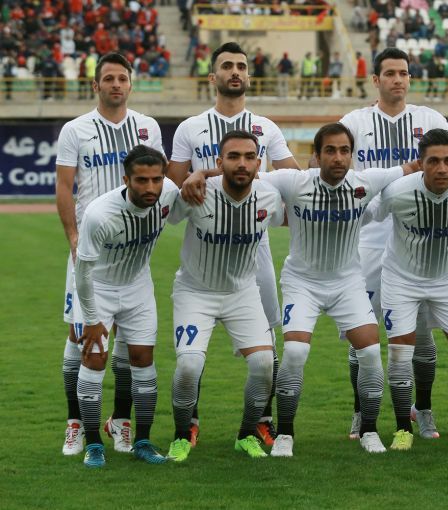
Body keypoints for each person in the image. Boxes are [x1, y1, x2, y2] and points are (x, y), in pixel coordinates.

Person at [338, 47, 448, 441]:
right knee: (363, 334)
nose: (397, 80)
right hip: (370, 239)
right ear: (376, 80)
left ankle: (423, 411)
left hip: (425, 234)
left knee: (421, 334)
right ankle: (361, 411)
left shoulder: (430, 119)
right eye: (389, 73)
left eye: (403, 73)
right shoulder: (354, 122)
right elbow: (335, 170)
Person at [168, 42, 301, 448]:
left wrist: (207, 172)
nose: (235, 72)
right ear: (213, 76)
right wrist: (198, 177)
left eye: (241, 66)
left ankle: (260, 420)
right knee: (192, 357)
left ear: (249, 75)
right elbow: (173, 186)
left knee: (267, 346)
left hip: (253, 251)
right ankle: (188, 422)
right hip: (206, 244)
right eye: (227, 66)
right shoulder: (191, 127)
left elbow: (294, 181)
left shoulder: (266, 127)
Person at [260, 123, 419, 457]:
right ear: (316, 156)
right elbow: (245, 176)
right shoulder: (294, 181)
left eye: (344, 150)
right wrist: (201, 174)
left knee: (371, 353)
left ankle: (368, 430)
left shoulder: (365, 182)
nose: (338, 157)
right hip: (302, 283)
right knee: (295, 353)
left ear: (352, 155)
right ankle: (286, 433)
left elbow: (414, 167)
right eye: (330, 151)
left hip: (348, 283)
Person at [55, 52, 164, 457]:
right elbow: (64, 186)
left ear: (130, 84)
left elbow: (157, 180)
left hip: (131, 250)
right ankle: (75, 423)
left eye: (122, 78)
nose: (116, 84)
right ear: (96, 85)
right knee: (81, 338)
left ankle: (120, 420)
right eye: (109, 78)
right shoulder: (76, 130)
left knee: (129, 344)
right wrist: (72, 236)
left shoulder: (147, 127)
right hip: (89, 250)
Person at [370, 128, 448, 450]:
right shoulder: (397, 192)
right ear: (420, 163)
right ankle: (403, 429)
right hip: (400, 280)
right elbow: (369, 211)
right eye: (433, 161)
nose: (441, 168)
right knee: (400, 352)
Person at [165, 131, 284, 463]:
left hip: (242, 293)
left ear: (259, 163)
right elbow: (166, 211)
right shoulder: (197, 192)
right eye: (233, 157)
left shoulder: (269, 196)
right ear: (219, 162)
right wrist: (195, 176)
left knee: (264, 364)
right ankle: (181, 434)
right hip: (195, 292)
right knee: (189, 366)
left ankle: (246, 435)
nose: (241, 163)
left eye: (249, 157)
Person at [74, 145, 179, 467]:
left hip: (138, 287)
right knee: (94, 360)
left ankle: (143, 441)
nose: (150, 187)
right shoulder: (99, 214)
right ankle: (94, 444)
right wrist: (92, 319)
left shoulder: (169, 193)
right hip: (99, 289)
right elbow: (82, 272)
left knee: (143, 359)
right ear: (126, 180)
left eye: (156, 179)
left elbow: (194, 190)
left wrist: (201, 174)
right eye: (141, 180)